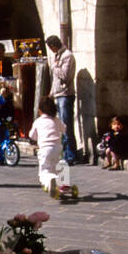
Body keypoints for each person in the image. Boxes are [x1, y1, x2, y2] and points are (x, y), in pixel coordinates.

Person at [46, 35, 78, 165]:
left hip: (65, 95)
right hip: (58, 94)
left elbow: (65, 76)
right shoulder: (58, 56)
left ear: (54, 46)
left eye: (50, 47)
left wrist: (54, 67)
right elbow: (56, 80)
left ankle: (70, 154)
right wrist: (51, 94)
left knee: (66, 125)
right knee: (61, 126)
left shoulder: (67, 56)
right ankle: (65, 153)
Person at [29, 94, 64, 195]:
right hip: (58, 148)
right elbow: (64, 129)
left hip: (45, 149)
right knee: (54, 166)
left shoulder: (38, 121)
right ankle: (58, 183)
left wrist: (37, 138)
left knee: (44, 171)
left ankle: (51, 180)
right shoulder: (56, 120)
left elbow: (32, 135)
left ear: (39, 111)